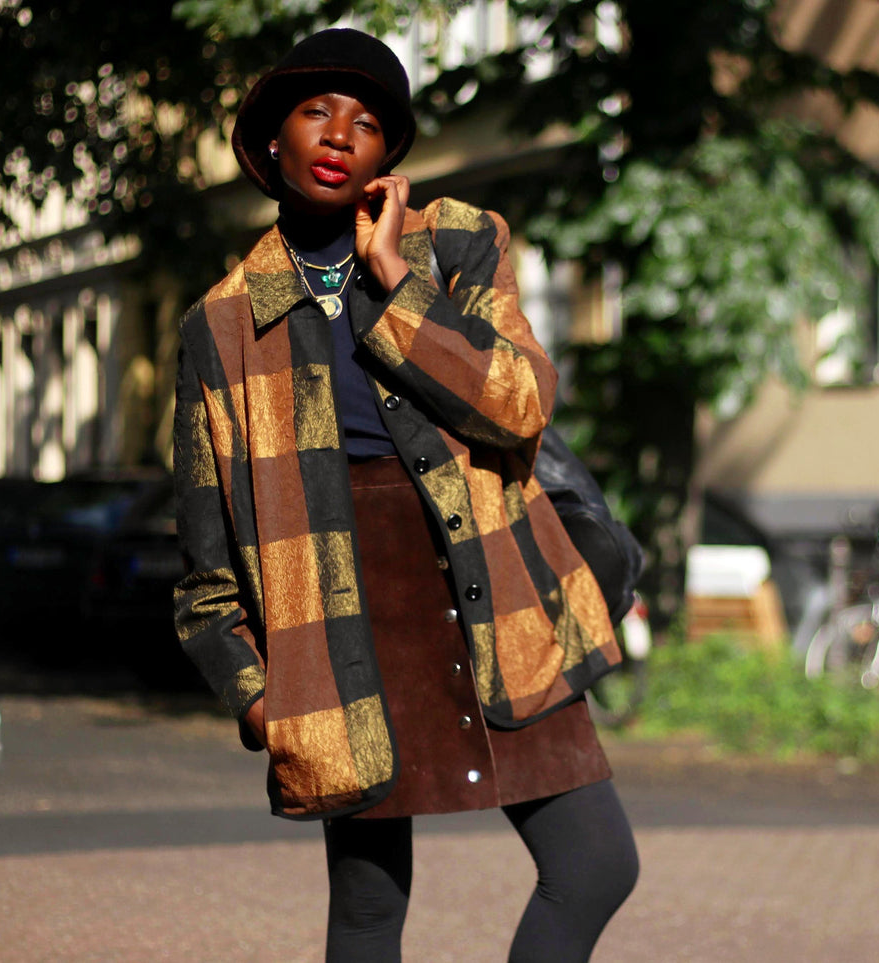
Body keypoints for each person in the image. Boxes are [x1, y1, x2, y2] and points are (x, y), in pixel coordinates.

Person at [170, 28, 639, 961]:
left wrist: (393, 280)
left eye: (369, 122)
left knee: (594, 863)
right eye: (317, 112)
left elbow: (518, 406)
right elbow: (206, 563)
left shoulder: (458, 243)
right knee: (371, 908)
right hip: (340, 626)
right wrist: (264, 697)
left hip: (497, 592)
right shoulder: (219, 323)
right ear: (273, 142)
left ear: (389, 158)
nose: (341, 133)